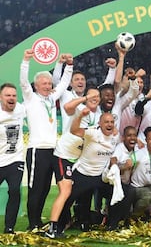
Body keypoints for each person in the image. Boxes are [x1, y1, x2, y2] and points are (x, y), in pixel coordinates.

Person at [20, 49, 73, 230]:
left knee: (44, 189)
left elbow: (65, 83)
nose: (48, 86)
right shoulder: (30, 98)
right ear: (36, 85)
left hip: (53, 150)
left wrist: (69, 66)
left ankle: (38, 222)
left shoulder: (51, 98)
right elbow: (23, 82)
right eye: (44, 83)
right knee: (35, 189)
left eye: (49, 83)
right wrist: (26, 60)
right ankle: (32, 224)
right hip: (37, 149)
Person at [45, 88, 101, 238]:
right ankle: (52, 228)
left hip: (78, 160)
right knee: (66, 191)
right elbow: (67, 109)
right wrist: (85, 99)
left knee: (75, 191)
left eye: (97, 96)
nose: (95, 97)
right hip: (64, 156)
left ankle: (68, 221)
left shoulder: (99, 115)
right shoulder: (81, 108)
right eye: (92, 95)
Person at [57, 111, 119, 234]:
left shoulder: (115, 137)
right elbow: (74, 130)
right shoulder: (93, 134)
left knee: (119, 194)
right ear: (99, 124)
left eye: (112, 122)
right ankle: (60, 225)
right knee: (67, 199)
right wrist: (79, 116)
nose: (109, 124)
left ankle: (112, 225)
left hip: (100, 177)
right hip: (82, 174)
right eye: (106, 122)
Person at [0, 83, 25, 234]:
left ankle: (9, 228)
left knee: (15, 191)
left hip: (15, 160)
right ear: (1, 97)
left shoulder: (21, 109)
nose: (11, 98)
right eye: (8, 95)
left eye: (14, 95)